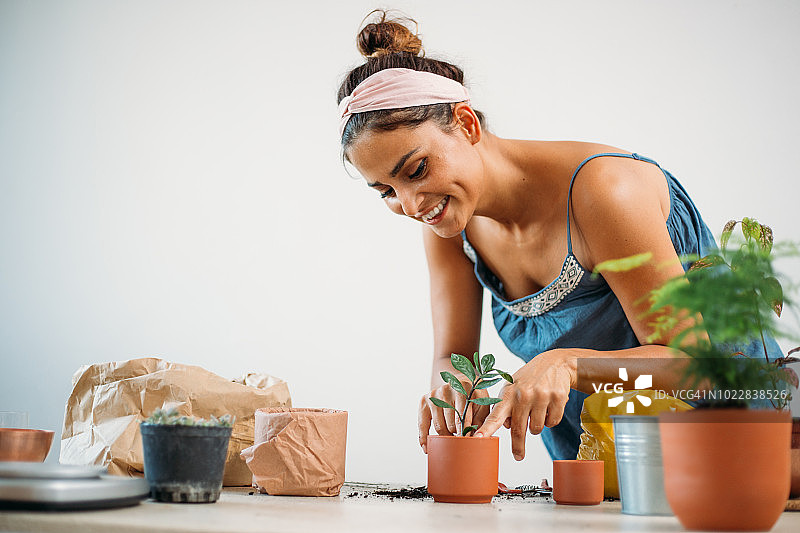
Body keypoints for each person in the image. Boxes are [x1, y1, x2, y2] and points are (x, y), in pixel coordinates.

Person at [336, 11, 778, 462]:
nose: (411, 206)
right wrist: (452, 387)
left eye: (416, 170)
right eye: (386, 191)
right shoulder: (449, 221)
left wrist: (567, 364)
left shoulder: (604, 192)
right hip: (599, 471)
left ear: (467, 124)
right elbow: (450, 356)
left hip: (730, 456)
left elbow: (696, 372)